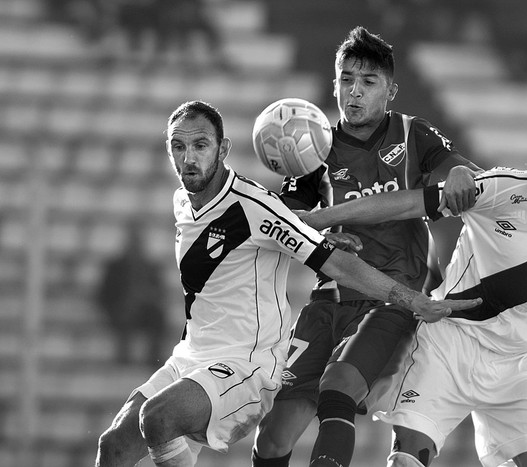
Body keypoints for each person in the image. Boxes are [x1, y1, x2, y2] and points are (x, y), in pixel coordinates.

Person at [93, 100, 480, 467]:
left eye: (200, 145)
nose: (188, 158)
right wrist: (313, 228)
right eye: (178, 146)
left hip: (245, 363)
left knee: (157, 417)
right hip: (191, 355)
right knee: (112, 446)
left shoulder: (255, 207)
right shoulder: (184, 199)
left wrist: (411, 299)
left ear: (223, 148)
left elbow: (341, 266)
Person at [301, 109, 527, 467]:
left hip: (516, 367)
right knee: (407, 461)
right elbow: (407, 204)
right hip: (448, 347)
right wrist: (319, 218)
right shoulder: (503, 188)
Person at [252, 26, 482, 467]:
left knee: (337, 388)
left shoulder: (413, 134)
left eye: (367, 82)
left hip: (391, 297)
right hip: (328, 299)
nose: (353, 93)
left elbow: (456, 169)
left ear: (390, 91)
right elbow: (287, 223)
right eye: (346, 80)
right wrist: (315, 234)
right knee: (274, 437)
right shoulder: (313, 146)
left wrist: (457, 172)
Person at [96, 220, 168, 367]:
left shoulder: (150, 267)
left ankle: (153, 359)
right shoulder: (115, 266)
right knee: (126, 313)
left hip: (144, 310)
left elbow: (160, 293)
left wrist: (147, 296)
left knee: (157, 316)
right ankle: (123, 358)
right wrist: (116, 306)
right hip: (120, 310)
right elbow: (103, 294)